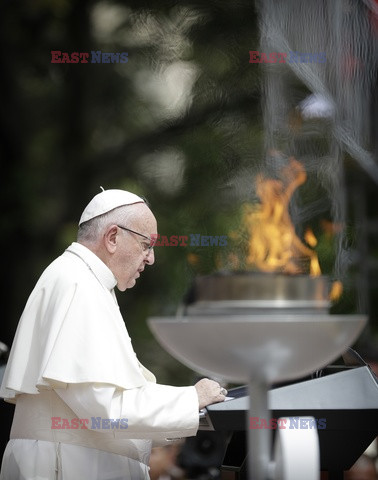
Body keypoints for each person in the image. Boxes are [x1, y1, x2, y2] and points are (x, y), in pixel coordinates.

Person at [0, 189, 227, 480]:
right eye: (147, 245)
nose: (151, 258)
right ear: (112, 237)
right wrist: (191, 399)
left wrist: (185, 415)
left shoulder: (82, 281)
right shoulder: (77, 284)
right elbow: (104, 410)